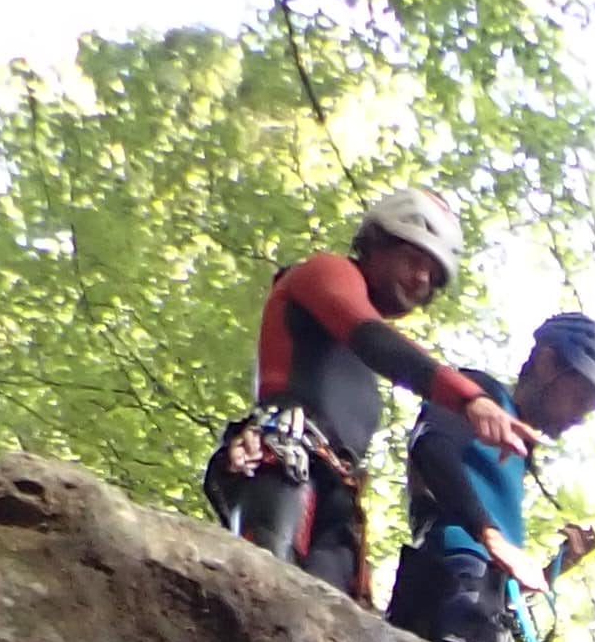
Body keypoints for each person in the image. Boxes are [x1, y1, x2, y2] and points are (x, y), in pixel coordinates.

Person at [203, 188, 529, 602]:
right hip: (283, 459)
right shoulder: (322, 273)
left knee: (332, 631)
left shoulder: (357, 371)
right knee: (265, 593)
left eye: (433, 276)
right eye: (414, 260)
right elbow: (374, 339)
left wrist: (490, 534)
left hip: (335, 497)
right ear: (377, 244)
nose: (421, 279)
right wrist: (468, 399)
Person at [387, 309, 595, 642]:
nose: (579, 417)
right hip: (453, 579)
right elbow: (431, 447)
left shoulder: (514, 454)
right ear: (546, 364)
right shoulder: (481, 397)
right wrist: (490, 535)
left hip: (481, 601)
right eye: (579, 397)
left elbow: (497, 576)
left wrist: (555, 568)